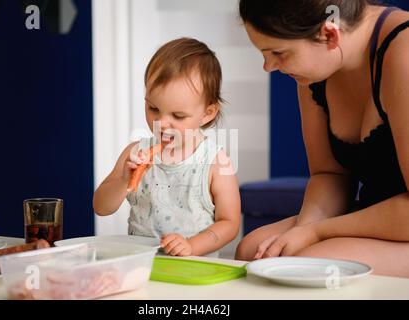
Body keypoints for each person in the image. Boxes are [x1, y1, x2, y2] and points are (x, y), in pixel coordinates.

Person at [235, 0, 409, 277]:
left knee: (309, 265)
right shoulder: (316, 70)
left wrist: (316, 232)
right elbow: (329, 174)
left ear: (329, 34)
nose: (269, 66)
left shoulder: (404, 52)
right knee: (252, 252)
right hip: (381, 219)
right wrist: (303, 231)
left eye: (278, 52)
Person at [94, 38, 241, 257]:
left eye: (178, 115)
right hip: (141, 268)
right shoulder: (134, 153)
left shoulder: (215, 162)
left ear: (207, 113)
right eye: (153, 108)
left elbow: (229, 223)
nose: (161, 123)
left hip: (193, 271)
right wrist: (124, 180)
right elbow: (101, 207)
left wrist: (192, 246)